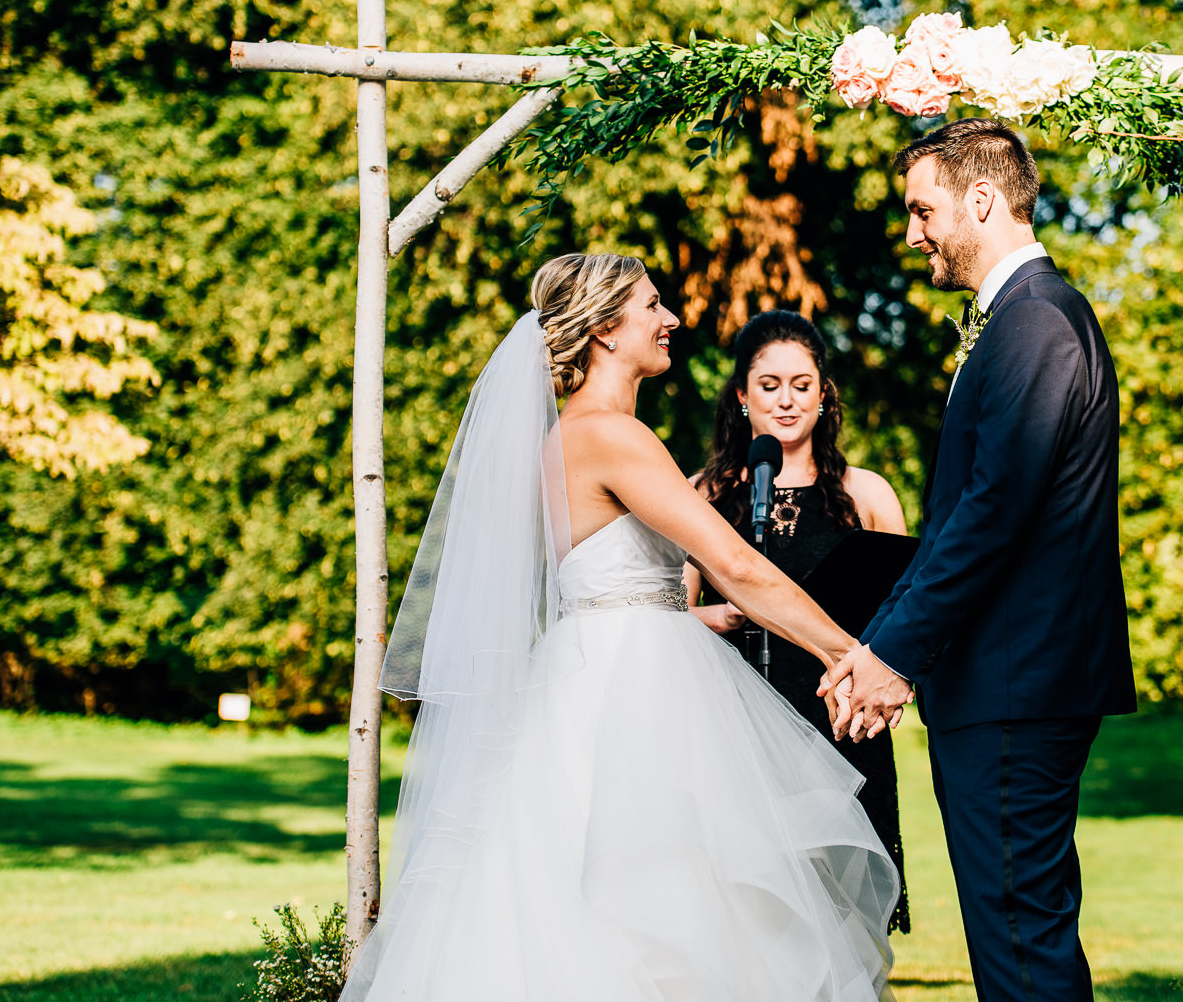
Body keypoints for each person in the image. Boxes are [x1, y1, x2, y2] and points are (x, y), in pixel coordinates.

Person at [341, 254, 899, 1002]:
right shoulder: (609, 435)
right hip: (632, 690)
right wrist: (853, 654)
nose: (670, 320)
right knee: (667, 903)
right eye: (651, 306)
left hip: (595, 672)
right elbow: (735, 564)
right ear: (606, 329)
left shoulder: (573, 435)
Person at [823, 120, 1137, 1002]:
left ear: (984, 200)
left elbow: (994, 516)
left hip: (1017, 684)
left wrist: (893, 657)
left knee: (1021, 949)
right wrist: (875, 643)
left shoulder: (1035, 322)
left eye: (924, 210)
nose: (913, 232)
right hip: (1009, 684)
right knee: (1017, 942)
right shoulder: (1021, 321)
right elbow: (962, 518)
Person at [684, 310, 913, 932]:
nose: (786, 401)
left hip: (840, 721)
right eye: (769, 385)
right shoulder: (702, 494)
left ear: (823, 394)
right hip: (737, 726)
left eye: (801, 384)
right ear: (742, 396)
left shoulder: (866, 493)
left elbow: (906, 611)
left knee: (848, 919)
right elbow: (667, 614)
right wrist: (724, 614)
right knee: (751, 921)